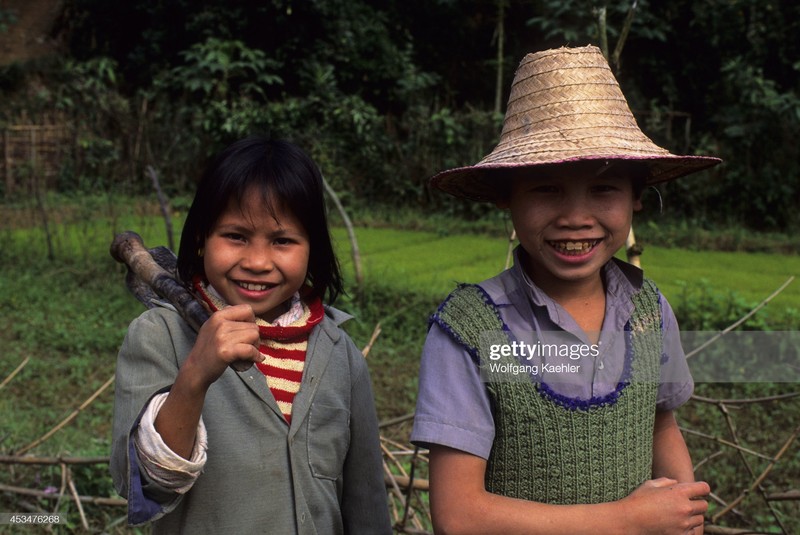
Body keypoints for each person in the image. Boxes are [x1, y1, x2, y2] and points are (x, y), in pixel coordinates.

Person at [411, 45, 721, 534]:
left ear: (636, 198)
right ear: (506, 198)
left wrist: (684, 513)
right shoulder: (469, 330)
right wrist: (625, 520)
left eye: (603, 190)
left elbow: (661, 425)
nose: (575, 218)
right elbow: (459, 515)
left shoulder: (647, 311)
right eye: (545, 188)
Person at [111, 136, 392, 534]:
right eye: (236, 236)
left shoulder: (339, 354)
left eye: (282, 241)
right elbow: (140, 482)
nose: (258, 262)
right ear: (200, 239)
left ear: (312, 249)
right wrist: (194, 376)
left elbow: (367, 505)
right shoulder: (160, 338)